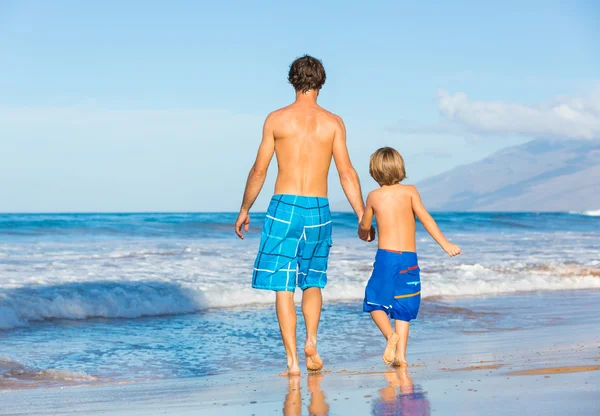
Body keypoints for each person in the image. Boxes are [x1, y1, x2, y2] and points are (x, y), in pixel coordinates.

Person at [235, 55, 372, 376]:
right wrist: (362, 214)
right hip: (318, 208)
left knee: (284, 285)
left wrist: (245, 209)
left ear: (292, 81)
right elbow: (347, 172)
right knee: (313, 280)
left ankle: (293, 363)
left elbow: (259, 170)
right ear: (321, 83)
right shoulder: (333, 122)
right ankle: (312, 340)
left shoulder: (276, 119)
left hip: (284, 205)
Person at [358, 147, 461, 367]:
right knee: (403, 307)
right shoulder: (411, 191)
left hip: (387, 257)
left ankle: (389, 336)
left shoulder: (374, 196)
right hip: (409, 258)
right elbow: (426, 219)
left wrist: (365, 232)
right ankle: (401, 357)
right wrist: (445, 244)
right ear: (400, 167)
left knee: (373, 300)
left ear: (374, 172)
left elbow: (365, 226)